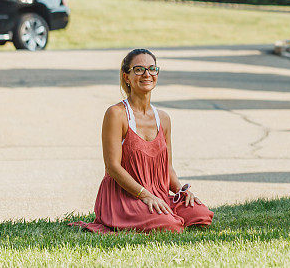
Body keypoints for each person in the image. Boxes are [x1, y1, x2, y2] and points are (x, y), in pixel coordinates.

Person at [71, 48, 214, 233]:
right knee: (170, 226)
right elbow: (112, 167)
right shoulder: (116, 114)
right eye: (139, 69)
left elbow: (167, 167)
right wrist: (145, 195)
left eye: (152, 69)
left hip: (157, 195)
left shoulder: (163, 118)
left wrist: (181, 191)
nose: (147, 74)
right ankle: (157, 216)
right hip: (123, 199)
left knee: (200, 214)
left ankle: (163, 213)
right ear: (126, 76)